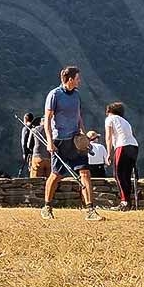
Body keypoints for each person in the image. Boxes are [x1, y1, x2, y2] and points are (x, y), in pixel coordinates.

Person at [42, 66, 101, 221]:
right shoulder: (54, 95)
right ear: (70, 79)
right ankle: (47, 207)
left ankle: (90, 210)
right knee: (56, 176)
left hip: (76, 141)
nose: (79, 81)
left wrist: (84, 135)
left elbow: (78, 117)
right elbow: (47, 119)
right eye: (77, 78)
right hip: (60, 141)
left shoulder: (76, 95)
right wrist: (49, 141)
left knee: (85, 173)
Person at [105, 101, 140, 210]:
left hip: (122, 146)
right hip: (133, 146)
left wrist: (109, 153)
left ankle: (124, 202)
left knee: (118, 174)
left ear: (109, 111)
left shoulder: (110, 119)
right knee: (127, 175)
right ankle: (128, 202)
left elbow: (109, 137)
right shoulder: (125, 121)